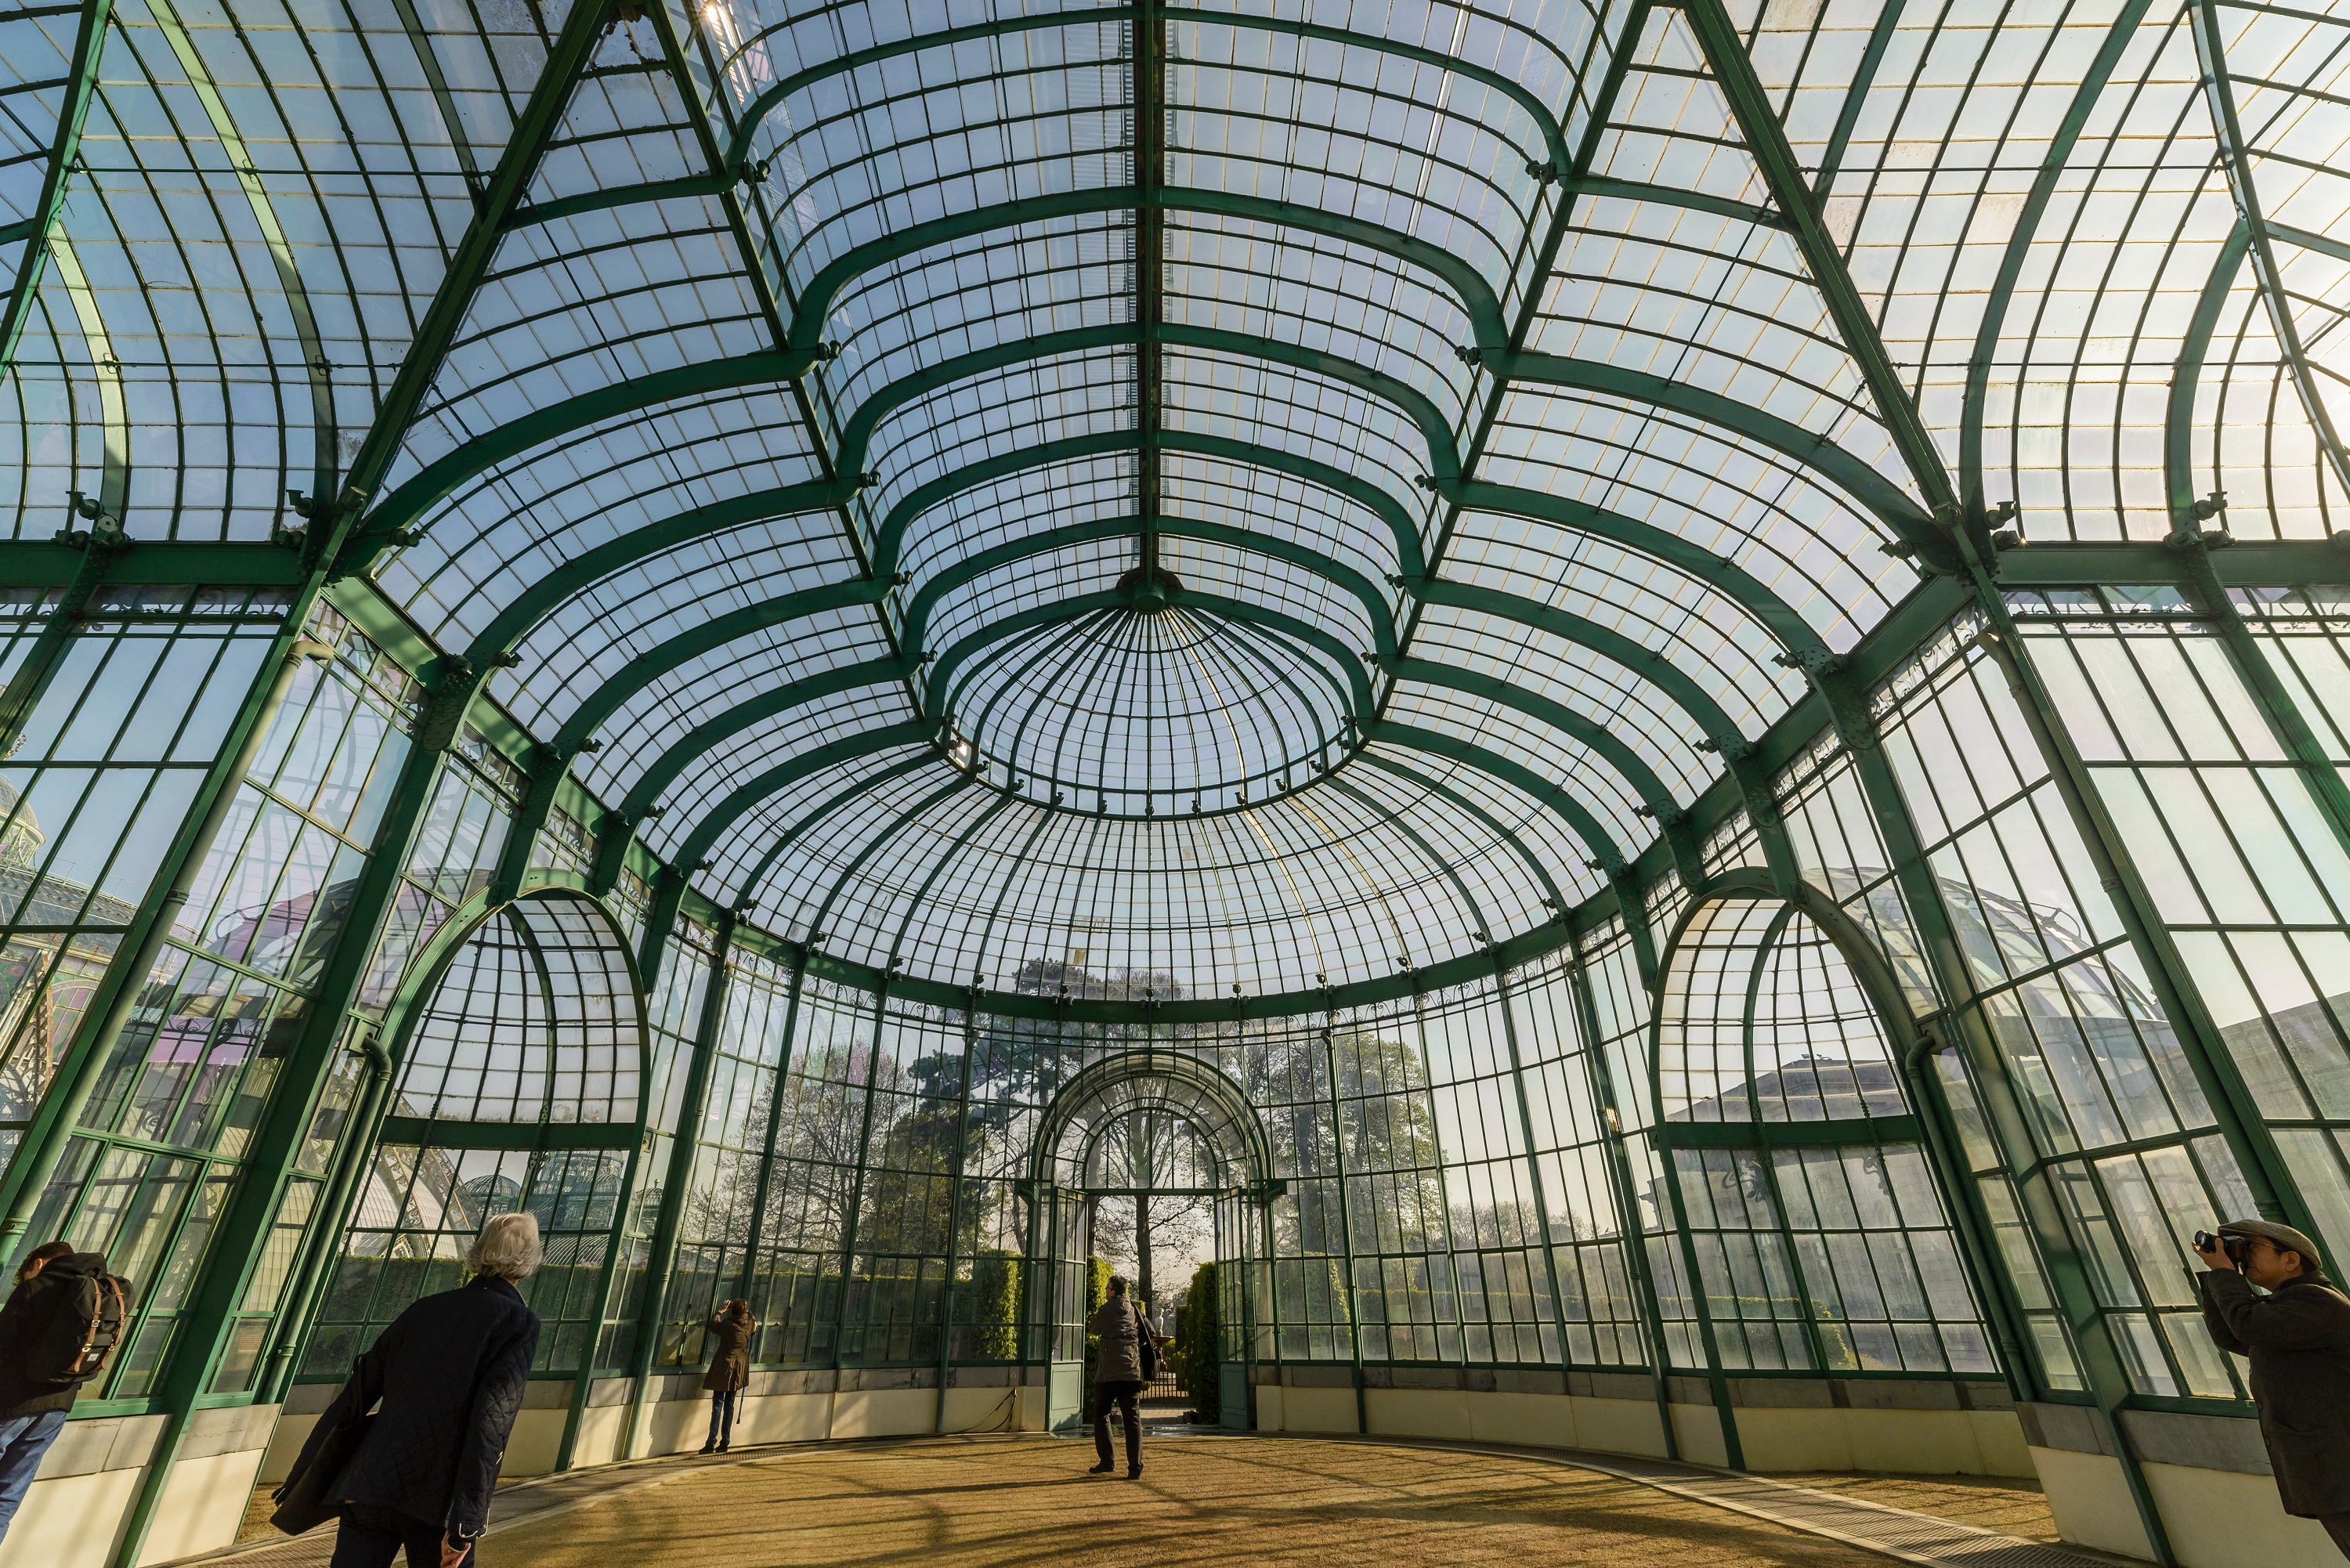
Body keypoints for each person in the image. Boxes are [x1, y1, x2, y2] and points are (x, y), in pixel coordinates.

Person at [283, 1213, 543, 1568]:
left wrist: (300, 1478)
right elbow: (490, 1425)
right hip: (437, 1503)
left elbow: (354, 1398)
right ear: (529, 1263)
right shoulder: (518, 1322)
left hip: (370, 1484)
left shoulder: (425, 1308)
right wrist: (465, 1524)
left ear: (479, 1251)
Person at [2195, 1218, 2350, 1559]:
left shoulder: (2318, 1302)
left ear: (2291, 1260)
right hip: (2328, 1470)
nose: (2242, 1255)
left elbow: (2248, 1325)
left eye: (2251, 1247)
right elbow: (2231, 1334)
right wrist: (2218, 1275)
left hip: (2340, 1468)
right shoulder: (2284, 1307)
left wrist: (2224, 1274)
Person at [0, 1241, 118, 1545]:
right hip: (56, 1410)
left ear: (38, 1264)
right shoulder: (100, 1292)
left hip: (10, 1404)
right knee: (7, 1495)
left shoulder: (35, 1288)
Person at [1086, 1274, 1165, 1479]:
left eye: (1107, 1287)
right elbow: (1151, 1330)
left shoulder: (1105, 1311)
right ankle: (1135, 1467)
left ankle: (1107, 1461)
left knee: (1101, 1414)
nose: (1105, 1290)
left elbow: (1092, 1329)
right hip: (1131, 1373)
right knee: (1132, 1420)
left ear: (1113, 1291)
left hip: (1108, 1374)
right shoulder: (1135, 1311)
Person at [700, 1299, 755, 1454]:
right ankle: (725, 1441)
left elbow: (713, 1325)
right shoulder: (750, 1323)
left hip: (724, 1365)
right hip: (740, 1367)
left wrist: (721, 1311)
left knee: (717, 1404)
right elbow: (754, 1321)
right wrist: (746, 1311)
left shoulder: (727, 1324)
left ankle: (711, 1442)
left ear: (732, 1310)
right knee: (729, 1404)